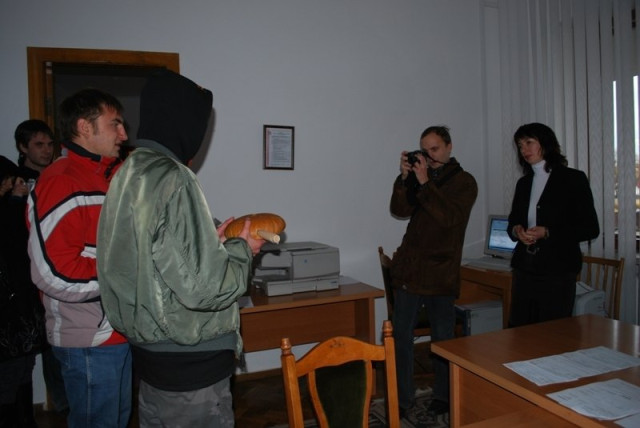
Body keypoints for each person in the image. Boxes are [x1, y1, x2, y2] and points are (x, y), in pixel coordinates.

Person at [97, 69, 265, 428]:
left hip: (153, 356)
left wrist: (208, 241)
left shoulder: (128, 172)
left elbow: (149, 254)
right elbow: (206, 289)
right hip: (190, 363)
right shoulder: (174, 177)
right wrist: (242, 249)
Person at [27, 88, 132, 428]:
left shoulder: (109, 178)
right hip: (89, 339)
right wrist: (130, 275)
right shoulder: (61, 181)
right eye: (115, 124)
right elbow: (55, 273)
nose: (124, 134)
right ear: (85, 127)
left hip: (118, 332)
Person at [389, 125, 477, 418]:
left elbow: (449, 218)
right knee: (400, 337)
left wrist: (425, 182)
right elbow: (400, 210)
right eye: (425, 150)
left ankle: (444, 396)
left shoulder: (465, 182)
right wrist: (405, 179)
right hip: (411, 271)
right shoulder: (420, 176)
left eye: (435, 149)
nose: (429, 155)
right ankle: (402, 399)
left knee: (443, 339)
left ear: (449, 146)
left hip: (441, 272)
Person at [507, 122, 599, 327]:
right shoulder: (523, 183)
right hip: (524, 267)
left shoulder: (573, 179)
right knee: (519, 330)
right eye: (520, 145)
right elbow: (513, 221)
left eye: (529, 142)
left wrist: (548, 232)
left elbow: (590, 228)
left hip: (558, 270)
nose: (524, 150)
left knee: (552, 332)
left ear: (546, 143)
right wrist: (517, 230)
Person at [14, 119, 69, 416]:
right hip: (23, 276)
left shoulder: (58, 177)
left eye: (50, 144)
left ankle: (66, 403)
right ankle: (57, 404)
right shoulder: (13, 182)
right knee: (32, 348)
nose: (46, 150)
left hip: (56, 269)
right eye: (39, 145)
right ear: (23, 147)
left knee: (56, 335)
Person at [0, 156, 46, 428]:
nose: (11, 185)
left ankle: (26, 419)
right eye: (8, 180)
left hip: (21, 306)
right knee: (9, 372)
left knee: (24, 367)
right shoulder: (8, 208)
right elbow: (11, 239)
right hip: (8, 312)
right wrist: (17, 202)